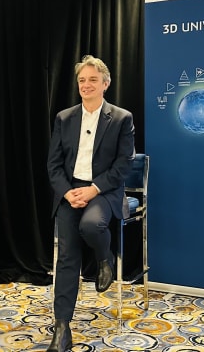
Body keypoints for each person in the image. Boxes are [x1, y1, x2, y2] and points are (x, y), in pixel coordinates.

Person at [46, 55, 135, 352]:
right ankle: (62, 328)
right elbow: (54, 164)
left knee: (92, 224)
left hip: (103, 191)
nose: (86, 85)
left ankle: (104, 258)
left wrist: (93, 189)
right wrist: (66, 192)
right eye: (82, 80)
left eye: (92, 80)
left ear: (105, 84)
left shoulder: (121, 118)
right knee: (67, 256)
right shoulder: (64, 118)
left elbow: (123, 165)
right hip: (70, 191)